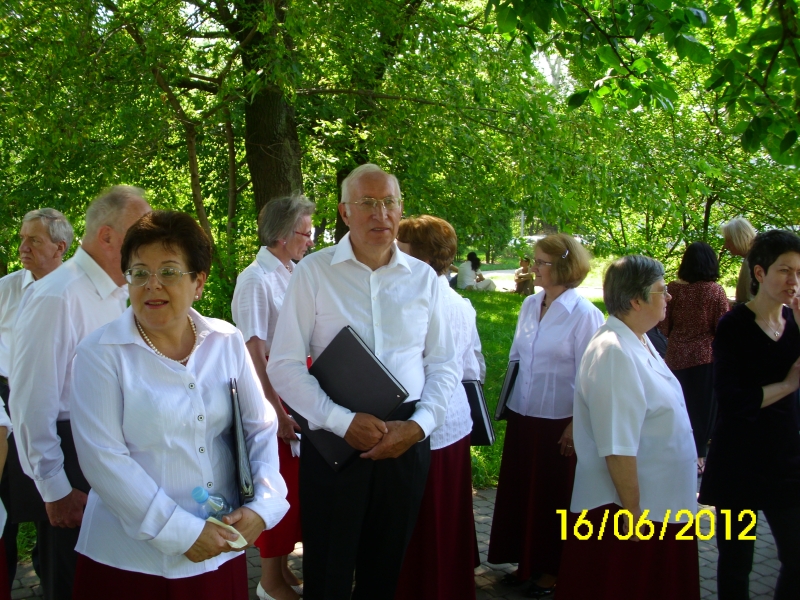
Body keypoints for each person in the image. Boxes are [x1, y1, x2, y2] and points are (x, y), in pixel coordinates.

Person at [68, 210, 289, 599]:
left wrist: (263, 505)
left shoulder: (226, 341)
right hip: (130, 561)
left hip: (219, 547)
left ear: (198, 282)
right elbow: (104, 460)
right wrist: (181, 532)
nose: (152, 285)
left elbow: (259, 427)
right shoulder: (99, 353)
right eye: (139, 273)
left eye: (169, 271)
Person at [267, 163, 459, 600]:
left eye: (389, 202)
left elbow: (444, 364)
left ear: (401, 208)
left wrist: (419, 427)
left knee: (385, 573)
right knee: (327, 573)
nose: (380, 213)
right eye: (367, 203)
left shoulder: (423, 279)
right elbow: (284, 364)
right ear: (344, 212)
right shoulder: (314, 272)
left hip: (405, 439)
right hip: (335, 439)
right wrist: (341, 421)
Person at [9, 187, 151, 600]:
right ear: (107, 237)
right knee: (73, 582)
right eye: (139, 233)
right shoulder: (58, 295)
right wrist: (54, 488)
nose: (148, 243)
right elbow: (31, 400)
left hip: (109, 450)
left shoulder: (118, 291)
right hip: (71, 458)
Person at [556, 255, 699, 600]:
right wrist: (633, 513)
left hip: (661, 505)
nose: (669, 296)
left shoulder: (638, 338)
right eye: (662, 290)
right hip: (630, 512)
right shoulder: (614, 352)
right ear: (636, 300)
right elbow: (617, 445)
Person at [487, 234, 603, 598]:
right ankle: (525, 562)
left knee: (553, 498)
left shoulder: (585, 314)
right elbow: (517, 358)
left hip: (559, 423)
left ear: (564, 267)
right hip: (524, 415)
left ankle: (552, 570)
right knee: (524, 492)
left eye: (541, 262)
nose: (533, 267)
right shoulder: (530, 304)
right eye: (535, 260)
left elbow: (593, 376)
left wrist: (577, 424)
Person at [698, 229, 800, 600]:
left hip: (785, 463)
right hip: (738, 465)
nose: (794, 281)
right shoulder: (734, 326)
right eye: (785, 270)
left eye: (799, 272)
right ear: (759, 272)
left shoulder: (795, 322)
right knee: (736, 563)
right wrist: (787, 385)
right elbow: (733, 400)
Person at [394, 215, 485, 600]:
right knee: (446, 514)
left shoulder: (413, 302)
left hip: (420, 424)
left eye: (400, 247)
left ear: (420, 256)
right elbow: (473, 367)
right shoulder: (461, 303)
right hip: (454, 421)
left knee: (420, 516)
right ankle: (449, 584)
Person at [231, 195, 315, 600]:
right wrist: (276, 412)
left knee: (294, 491)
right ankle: (269, 580)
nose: (310, 241)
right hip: (274, 396)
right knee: (276, 486)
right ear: (283, 234)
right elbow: (253, 352)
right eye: (305, 232)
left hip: (297, 390)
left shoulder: (291, 271)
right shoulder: (255, 279)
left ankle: (282, 570)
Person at [0, 208, 73, 585]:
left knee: (55, 515)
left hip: (61, 413)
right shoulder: (6, 289)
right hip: (7, 406)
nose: (23, 247)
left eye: (34, 240)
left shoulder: (80, 292)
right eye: (21, 239)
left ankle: (50, 579)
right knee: (9, 507)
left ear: (60, 247)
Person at [658, 242, 729, 476]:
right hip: (704, 358)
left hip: (676, 356)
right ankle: (698, 457)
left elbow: (664, 325)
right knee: (702, 410)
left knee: (679, 406)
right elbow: (723, 328)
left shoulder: (673, 289)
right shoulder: (715, 291)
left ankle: (675, 452)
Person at [720, 217, 756, 305]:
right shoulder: (752, 259)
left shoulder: (751, 263)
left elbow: (751, 304)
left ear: (739, 239)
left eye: (728, 241)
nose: (726, 246)